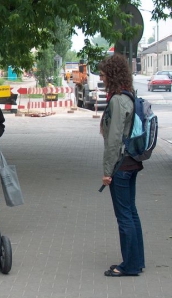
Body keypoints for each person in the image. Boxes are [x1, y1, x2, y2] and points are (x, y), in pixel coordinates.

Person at [99, 53, 145, 277]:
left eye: (103, 74)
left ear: (112, 75)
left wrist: (107, 173)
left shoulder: (117, 100)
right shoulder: (129, 95)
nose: (102, 78)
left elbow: (114, 140)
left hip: (120, 166)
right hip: (132, 162)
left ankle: (129, 266)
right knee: (132, 212)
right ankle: (137, 260)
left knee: (124, 216)